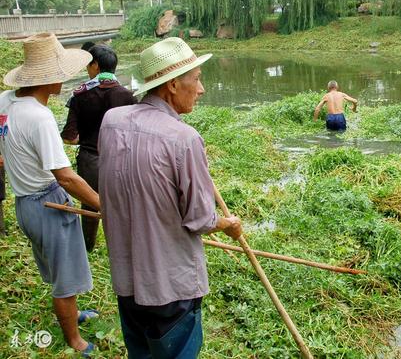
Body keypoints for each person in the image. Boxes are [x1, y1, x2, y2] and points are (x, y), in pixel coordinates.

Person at [98, 37, 243, 359]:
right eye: (197, 79)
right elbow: (199, 219)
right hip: (170, 285)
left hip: (127, 277)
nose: (202, 89)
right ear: (174, 85)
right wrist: (228, 224)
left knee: (141, 353)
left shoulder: (112, 122)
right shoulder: (184, 138)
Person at [0, 33, 101, 356]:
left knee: (58, 267)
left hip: (24, 204)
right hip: (47, 202)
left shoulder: (5, 100)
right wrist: (104, 205)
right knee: (65, 277)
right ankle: (74, 339)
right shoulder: (40, 117)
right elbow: (67, 178)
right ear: (50, 78)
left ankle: (72, 311)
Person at [61, 44, 137, 252]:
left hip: (91, 160)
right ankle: (124, 248)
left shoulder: (80, 95)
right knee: (123, 203)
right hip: (123, 160)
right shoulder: (128, 96)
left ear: (95, 65)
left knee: (90, 202)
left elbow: (69, 137)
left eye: (88, 64)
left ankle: (88, 247)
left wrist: (86, 138)